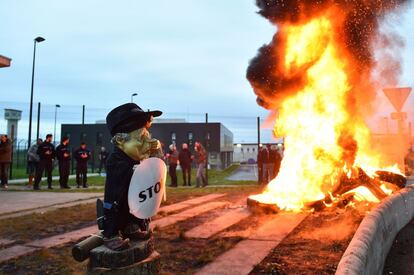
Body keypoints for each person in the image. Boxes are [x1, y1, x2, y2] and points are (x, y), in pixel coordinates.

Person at [103, 103, 162, 251]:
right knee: (117, 199)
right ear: (121, 141)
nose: (147, 143)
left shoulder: (135, 158)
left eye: (147, 137)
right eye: (141, 139)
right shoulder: (117, 162)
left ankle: (132, 226)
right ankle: (111, 233)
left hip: (135, 172)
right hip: (118, 192)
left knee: (136, 198)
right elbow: (114, 196)